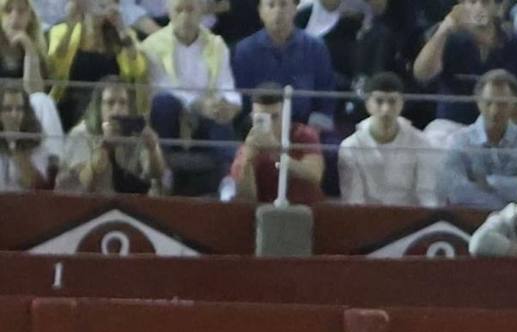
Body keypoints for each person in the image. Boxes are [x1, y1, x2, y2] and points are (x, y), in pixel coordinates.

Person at [142, 0, 239, 176]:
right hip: (171, 116)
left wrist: (228, 105)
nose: (185, 16)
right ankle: (164, 173)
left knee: (221, 113)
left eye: (190, 9)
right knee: (164, 103)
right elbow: (158, 88)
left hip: (206, 117)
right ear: (168, 11)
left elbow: (226, 86)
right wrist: (197, 104)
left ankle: (229, 178)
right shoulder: (151, 45)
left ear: (202, 10)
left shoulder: (217, 45)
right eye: (179, 10)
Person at [412, 0, 517, 126]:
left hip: (501, 125)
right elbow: (422, 74)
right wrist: (443, 30)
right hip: (452, 124)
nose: (479, 7)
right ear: (462, 5)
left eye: (485, 2)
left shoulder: (513, 41)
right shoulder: (449, 38)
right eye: (473, 2)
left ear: (496, 7)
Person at [437, 68, 517, 208]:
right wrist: (504, 206)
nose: (495, 111)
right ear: (478, 102)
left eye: (502, 104)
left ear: (514, 103)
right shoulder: (460, 141)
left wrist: (490, 182)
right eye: (489, 103)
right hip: (471, 217)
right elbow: (454, 190)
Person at [231, 0, 337, 131]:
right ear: (260, 11)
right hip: (260, 126)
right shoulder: (245, 50)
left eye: (283, 4)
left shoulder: (316, 47)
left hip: (306, 127)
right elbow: (241, 100)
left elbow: (326, 96)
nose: (278, 11)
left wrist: (312, 131)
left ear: (295, 9)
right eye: (271, 5)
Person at [338, 71, 438, 206]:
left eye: (392, 101)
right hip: (367, 216)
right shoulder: (350, 147)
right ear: (368, 104)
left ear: (402, 104)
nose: (386, 109)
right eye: (379, 101)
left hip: (411, 216)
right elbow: (354, 201)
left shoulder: (421, 143)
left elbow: (427, 196)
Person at [46, 0, 148, 129]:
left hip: (109, 103)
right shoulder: (60, 31)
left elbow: (137, 70)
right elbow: (54, 66)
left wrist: (120, 28)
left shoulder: (123, 35)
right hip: (71, 103)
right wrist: (71, 24)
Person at [57, 76, 167, 193]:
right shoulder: (81, 133)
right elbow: (85, 183)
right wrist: (105, 146)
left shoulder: (135, 132)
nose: (117, 109)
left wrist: (153, 149)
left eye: (123, 103)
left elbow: (156, 174)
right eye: (110, 103)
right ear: (99, 107)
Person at [229, 82, 324, 203]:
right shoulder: (248, 147)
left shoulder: (303, 135)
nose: (270, 124)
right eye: (262, 118)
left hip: (305, 208)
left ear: (286, 115)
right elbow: (246, 199)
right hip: (266, 210)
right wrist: (247, 164)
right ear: (252, 118)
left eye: (275, 117)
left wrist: (277, 152)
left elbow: (315, 175)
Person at [0, 80, 61, 189]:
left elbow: (39, 187)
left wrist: (14, 145)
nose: (14, 115)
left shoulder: (35, 139)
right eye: (8, 109)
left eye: (19, 109)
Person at [0, 0, 46, 94]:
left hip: (23, 102)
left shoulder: (36, 50)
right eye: (8, 11)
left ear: (30, 17)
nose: (15, 16)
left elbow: (35, 92)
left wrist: (28, 47)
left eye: (21, 11)